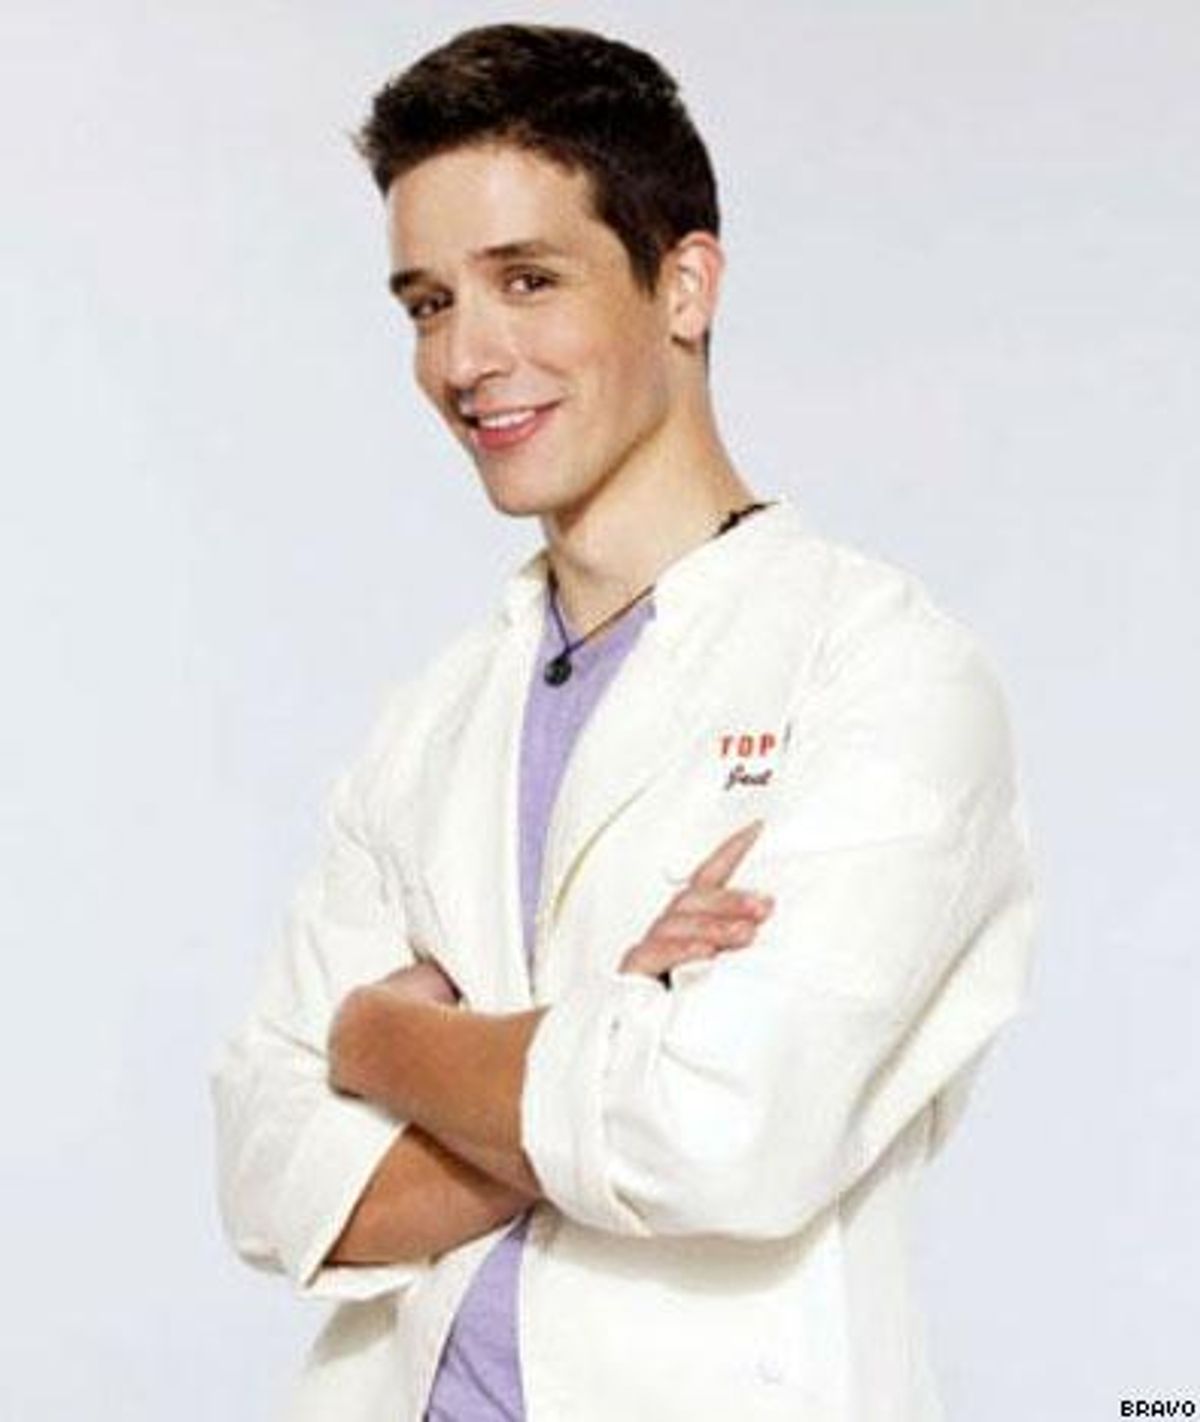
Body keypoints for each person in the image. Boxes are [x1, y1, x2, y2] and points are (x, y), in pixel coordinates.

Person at [209, 22, 1037, 1422]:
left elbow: (724, 1130)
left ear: (684, 284)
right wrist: (605, 1031)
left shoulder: (884, 672)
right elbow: (268, 1172)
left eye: (527, 280)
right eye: (426, 303)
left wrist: (377, 1042)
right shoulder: (432, 720)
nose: (467, 357)